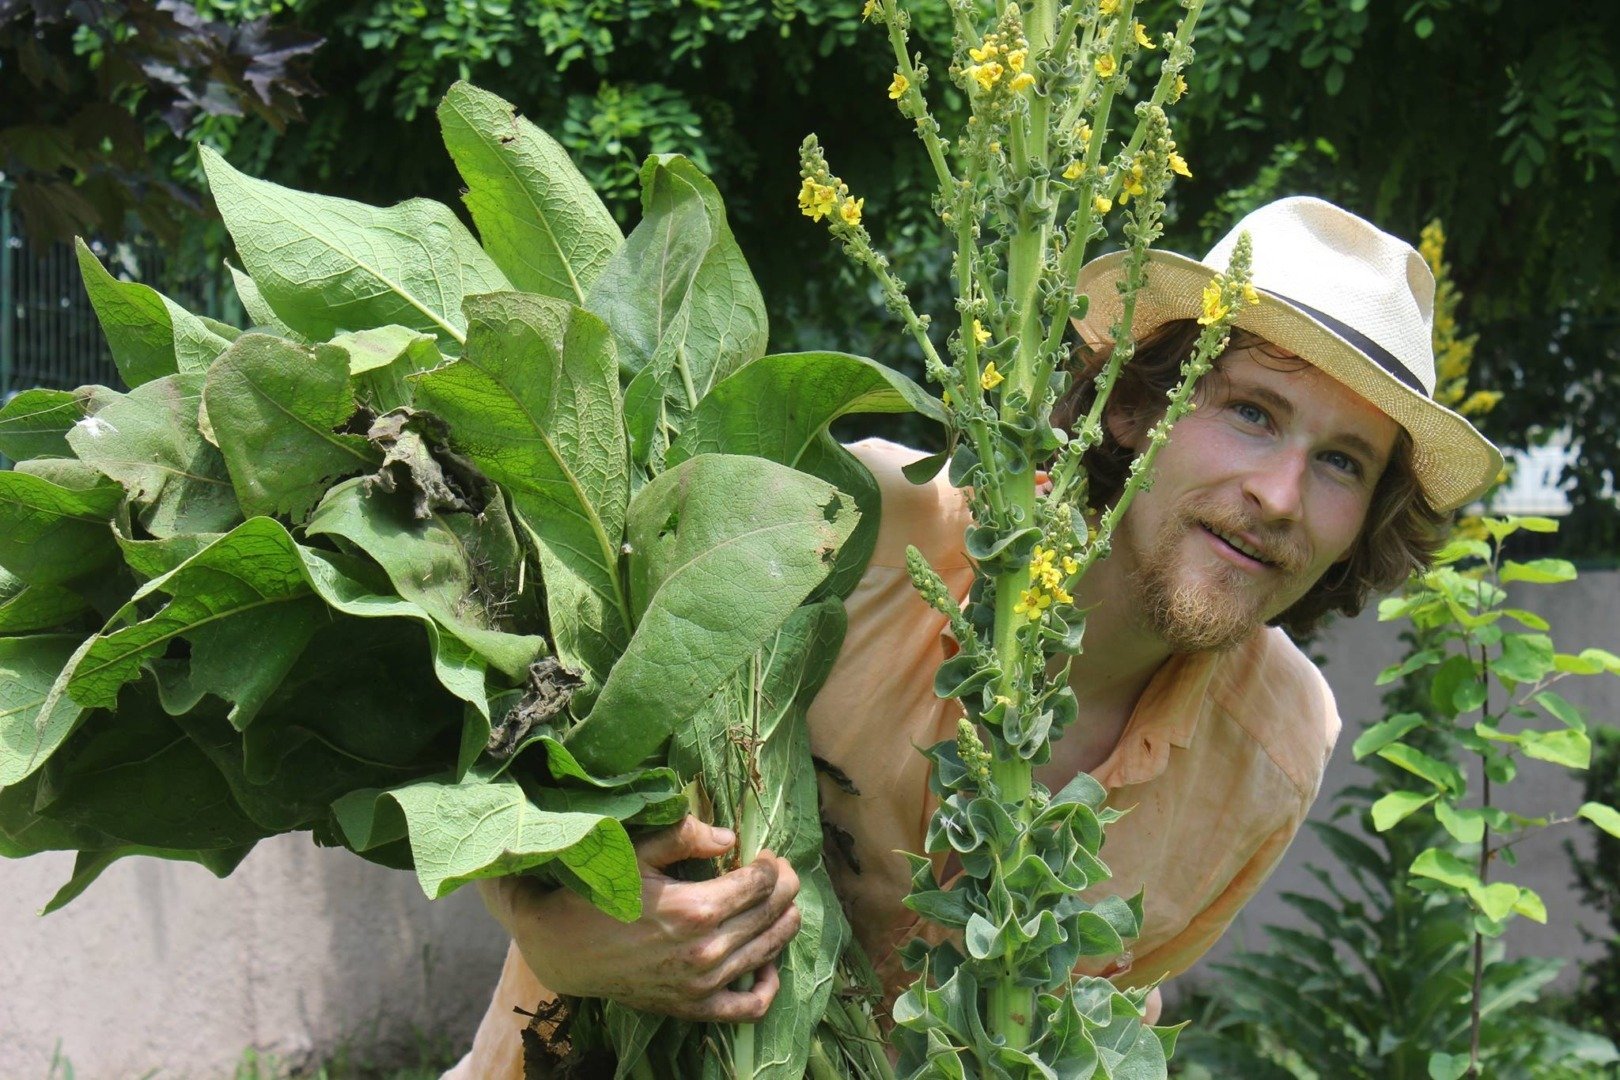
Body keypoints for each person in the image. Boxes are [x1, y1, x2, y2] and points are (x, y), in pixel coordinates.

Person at [444, 196, 1502, 1077]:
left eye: (1344, 463)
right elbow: (542, 709)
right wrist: (551, 930)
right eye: (1253, 413)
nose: (1277, 495)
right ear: (1134, 408)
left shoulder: (1276, 748)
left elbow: (1103, 1014)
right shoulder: (848, 526)